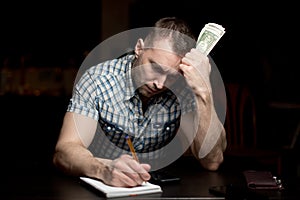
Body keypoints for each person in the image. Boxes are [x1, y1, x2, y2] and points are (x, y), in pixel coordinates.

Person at [53, 17, 227, 187]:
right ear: (139, 48)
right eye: (154, 67)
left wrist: (203, 91)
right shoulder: (98, 79)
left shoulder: (184, 86)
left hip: (161, 188)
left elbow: (212, 161)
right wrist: (103, 169)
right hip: (104, 186)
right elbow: (65, 151)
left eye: (171, 77)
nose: (160, 84)